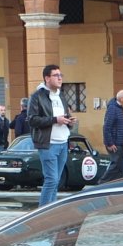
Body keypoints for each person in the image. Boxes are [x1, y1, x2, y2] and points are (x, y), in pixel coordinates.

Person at [27, 63, 74, 207]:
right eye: (56, 75)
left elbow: (64, 116)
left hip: (62, 143)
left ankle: (50, 211)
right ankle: (42, 214)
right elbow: (32, 119)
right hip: (48, 144)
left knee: (56, 181)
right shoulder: (37, 96)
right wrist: (55, 120)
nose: (60, 78)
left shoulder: (61, 96)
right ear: (47, 78)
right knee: (51, 180)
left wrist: (69, 121)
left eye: (61, 75)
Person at [101, 89, 123, 178]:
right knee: (115, 166)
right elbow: (107, 127)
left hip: (119, 143)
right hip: (114, 144)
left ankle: (118, 187)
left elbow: (120, 127)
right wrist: (109, 143)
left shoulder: (119, 108)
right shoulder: (113, 108)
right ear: (122, 98)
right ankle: (102, 184)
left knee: (121, 167)